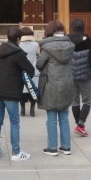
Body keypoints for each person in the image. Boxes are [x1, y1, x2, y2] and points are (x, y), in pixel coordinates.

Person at [0, 27, 35, 161]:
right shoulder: (18, 53)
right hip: (11, 91)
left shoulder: (0, 51)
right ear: (17, 39)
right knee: (14, 122)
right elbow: (31, 70)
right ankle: (16, 152)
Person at [36, 19, 75, 156]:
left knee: (51, 116)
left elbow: (39, 65)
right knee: (64, 116)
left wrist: (38, 56)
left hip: (51, 83)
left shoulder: (47, 48)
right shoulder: (70, 45)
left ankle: (52, 147)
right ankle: (66, 146)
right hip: (67, 83)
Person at [68, 18, 91, 137]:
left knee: (74, 101)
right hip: (85, 75)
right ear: (83, 27)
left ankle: (79, 125)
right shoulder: (87, 40)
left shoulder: (67, 40)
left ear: (72, 27)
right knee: (87, 100)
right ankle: (80, 125)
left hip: (71, 75)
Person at [18, 27, 40, 117]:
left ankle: (22, 110)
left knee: (22, 91)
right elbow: (38, 56)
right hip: (33, 71)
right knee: (32, 90)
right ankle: (32, 110)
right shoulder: (36, 44)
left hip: (21, 70)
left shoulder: (18, 45)